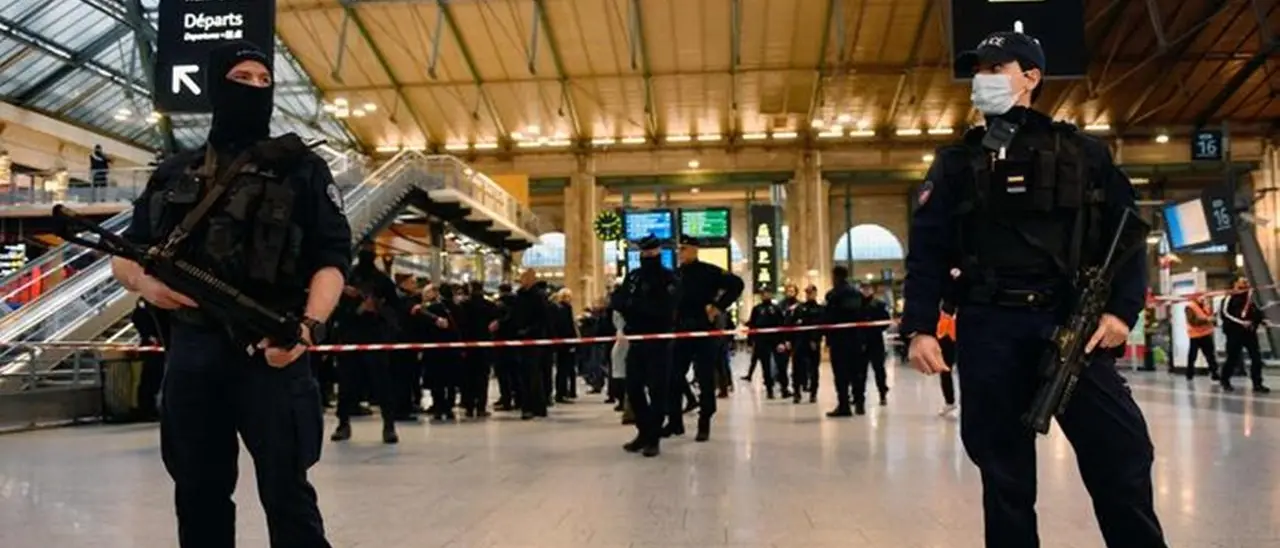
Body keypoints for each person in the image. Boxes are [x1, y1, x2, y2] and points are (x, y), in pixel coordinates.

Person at [900, 31, 1166, 547]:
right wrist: (920, 328)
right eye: (978, 70)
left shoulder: (1085, 153)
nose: (982, 79)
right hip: (989, 327)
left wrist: (1122, 312)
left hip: (1072, 324)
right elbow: (927, 251)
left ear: (1031, 77)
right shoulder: (956, 163)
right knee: (1005, 477)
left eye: (996, 68)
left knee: (1122, 455)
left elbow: (1128, 235)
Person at [112, 40, 346, 548]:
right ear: (217, 87)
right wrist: (146, 284)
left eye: (265, 81)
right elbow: (126, 253)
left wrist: (308, 327)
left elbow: (332, 259)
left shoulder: (302, 168)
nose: (256, 89)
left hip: (272, 349)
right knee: (199, 493)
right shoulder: (175, 171)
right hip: (194, 351)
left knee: (288, 494)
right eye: (242, 78)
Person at [610, 235, 680, 457]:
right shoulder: (634, 276)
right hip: (637, 340)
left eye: (650, 252)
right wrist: (634, 307)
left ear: (658, 252)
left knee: (658, 391)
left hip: (659, 341)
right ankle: (644, 431)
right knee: (633, 388)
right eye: (643, 252)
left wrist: (634, 307)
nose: (646, 256)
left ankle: (653, 438)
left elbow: (664, 310)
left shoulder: (668, 278)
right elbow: (617, 301)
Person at [671, 236, 744, 441]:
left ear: (694, 250)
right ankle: (675, 422)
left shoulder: (709, 272)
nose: (680, 253)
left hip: (703, 329)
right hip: (681, 330)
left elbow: (737, 284)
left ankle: (705, 422)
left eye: (684, 249)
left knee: (705, 377)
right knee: (674, 376)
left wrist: (718, 307)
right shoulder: (675, 274)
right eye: (679, 249)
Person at [331, 246, 400, 443]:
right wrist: (355, 308)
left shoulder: (382, 280)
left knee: (382, 383)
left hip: (375, 336)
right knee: (347, 383)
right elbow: (336, 309)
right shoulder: (347, 279)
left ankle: (389, 424)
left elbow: (395, 307)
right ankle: (343, 423)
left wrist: (376, 307)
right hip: (351, 336)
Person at [823, 266, 863, 416]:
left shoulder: (833, 295)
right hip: (856, 338)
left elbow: (829, 317)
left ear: (835, 276)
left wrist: (826, 337)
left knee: (841, 374)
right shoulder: (856, 294)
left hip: (839, 340)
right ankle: (860, 404)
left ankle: (844, 405)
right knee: (856, 372)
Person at [1220, 278, 1270, 393]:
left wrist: (1262, 321)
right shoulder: (1229, 298)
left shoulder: (1249, 298)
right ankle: (1225, 380)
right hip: (1234, 333)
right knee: (1232, 358)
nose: (1245, 283)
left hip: (1249, 333)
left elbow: (1255, 312)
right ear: (1235, 283)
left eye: (1246, 282)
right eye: (1242, 281)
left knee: (1256, 358)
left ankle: (1257, 383)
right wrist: (1241, 322)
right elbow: (1225, 314)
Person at [745, 288, 788, 399]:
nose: (765, 295)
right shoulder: (757, 309)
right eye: (763, 294)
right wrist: (750, 342)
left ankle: (784, 388)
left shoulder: (776, 308)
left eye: (767, 293)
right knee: (766, 366)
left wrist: (783, 341)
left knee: (781, 365)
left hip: (776, 340)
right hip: (762, 341)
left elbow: (782, 324)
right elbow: (752, 326)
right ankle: (769, 390)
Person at [853, 282, 890, 406]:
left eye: (868, 289)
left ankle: (882, 393)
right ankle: (859, 397)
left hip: (875, 341)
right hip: (860, 342)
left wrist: (875, 329)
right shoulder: (856, 305)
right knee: (860, 371)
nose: (866, 291)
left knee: (879, 370)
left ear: (872, 290)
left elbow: (886, 322)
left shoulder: (879, 305)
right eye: (863, 289)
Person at [789, 285, 824, 403]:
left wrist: (815, 339)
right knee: (797, 369)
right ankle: (796, 393)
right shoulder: (799, 308)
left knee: (814, 369)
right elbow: (791, 324)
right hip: (800, 342)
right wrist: (790, 340)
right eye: (807, 293)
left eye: (811, 293)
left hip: (813, 343)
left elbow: (821, 327)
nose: (809, 295)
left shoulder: (820, 309)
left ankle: (813, 393)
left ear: (815, 293)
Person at [1184, 295, 1219, 381]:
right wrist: (1207, 320)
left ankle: (1214, 373)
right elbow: (1192, 321)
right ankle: (1189, 373)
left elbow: (1209, 316)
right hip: (1195, 335)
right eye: (1200, 296)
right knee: (1193, 356)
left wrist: (1212, 320)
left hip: (1206, 334)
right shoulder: (1190, 307)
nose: (1203, 298)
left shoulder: (1205, 306)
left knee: (1210, 355)